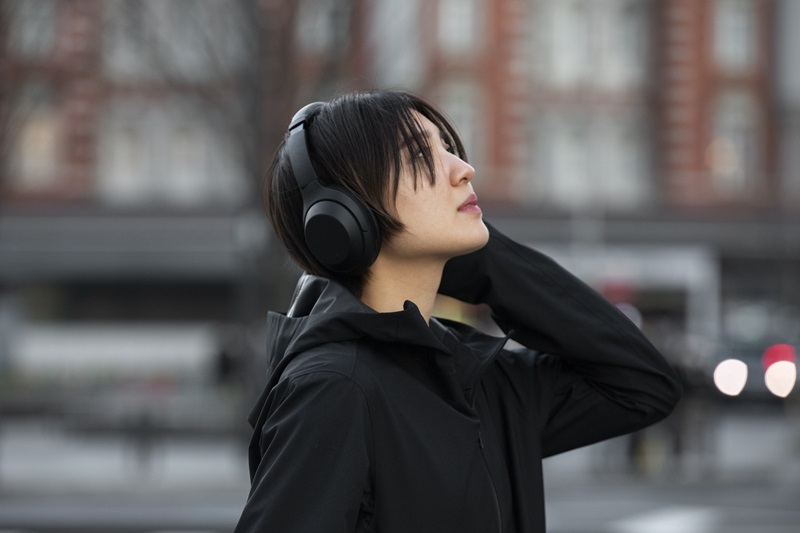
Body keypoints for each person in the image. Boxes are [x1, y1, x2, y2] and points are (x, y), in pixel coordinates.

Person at [234, 90, 682, 533]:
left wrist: (479, 259)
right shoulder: (333, 389)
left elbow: (643, 385)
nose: (464, 169)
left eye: (448, 149)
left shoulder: (479, 377)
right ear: (346, 216)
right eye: (418, 158)